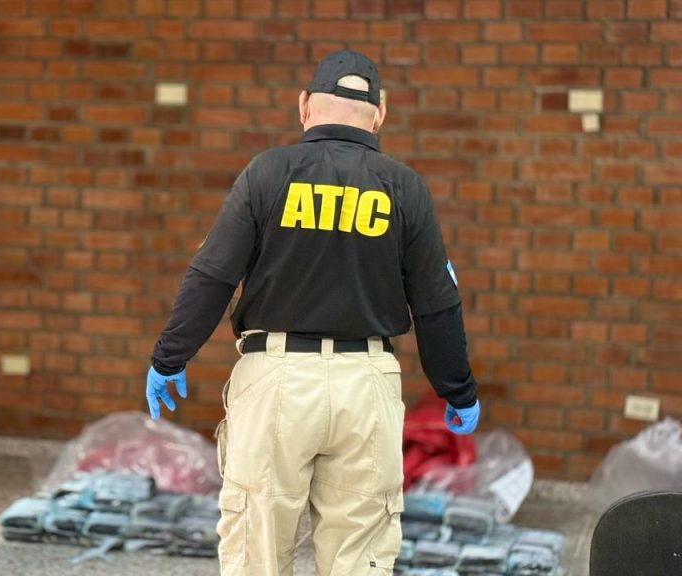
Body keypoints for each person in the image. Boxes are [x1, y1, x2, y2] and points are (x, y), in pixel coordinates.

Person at [146, 50, 481, 576]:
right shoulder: (405, 188)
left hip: (277, 381)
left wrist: (170, 358)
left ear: (304, 105)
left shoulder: (268, 173)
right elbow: (436, 303)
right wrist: (456, 389)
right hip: (366, 386)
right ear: (380, 113)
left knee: (257, 552)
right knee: (359, 558)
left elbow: (212, 276)